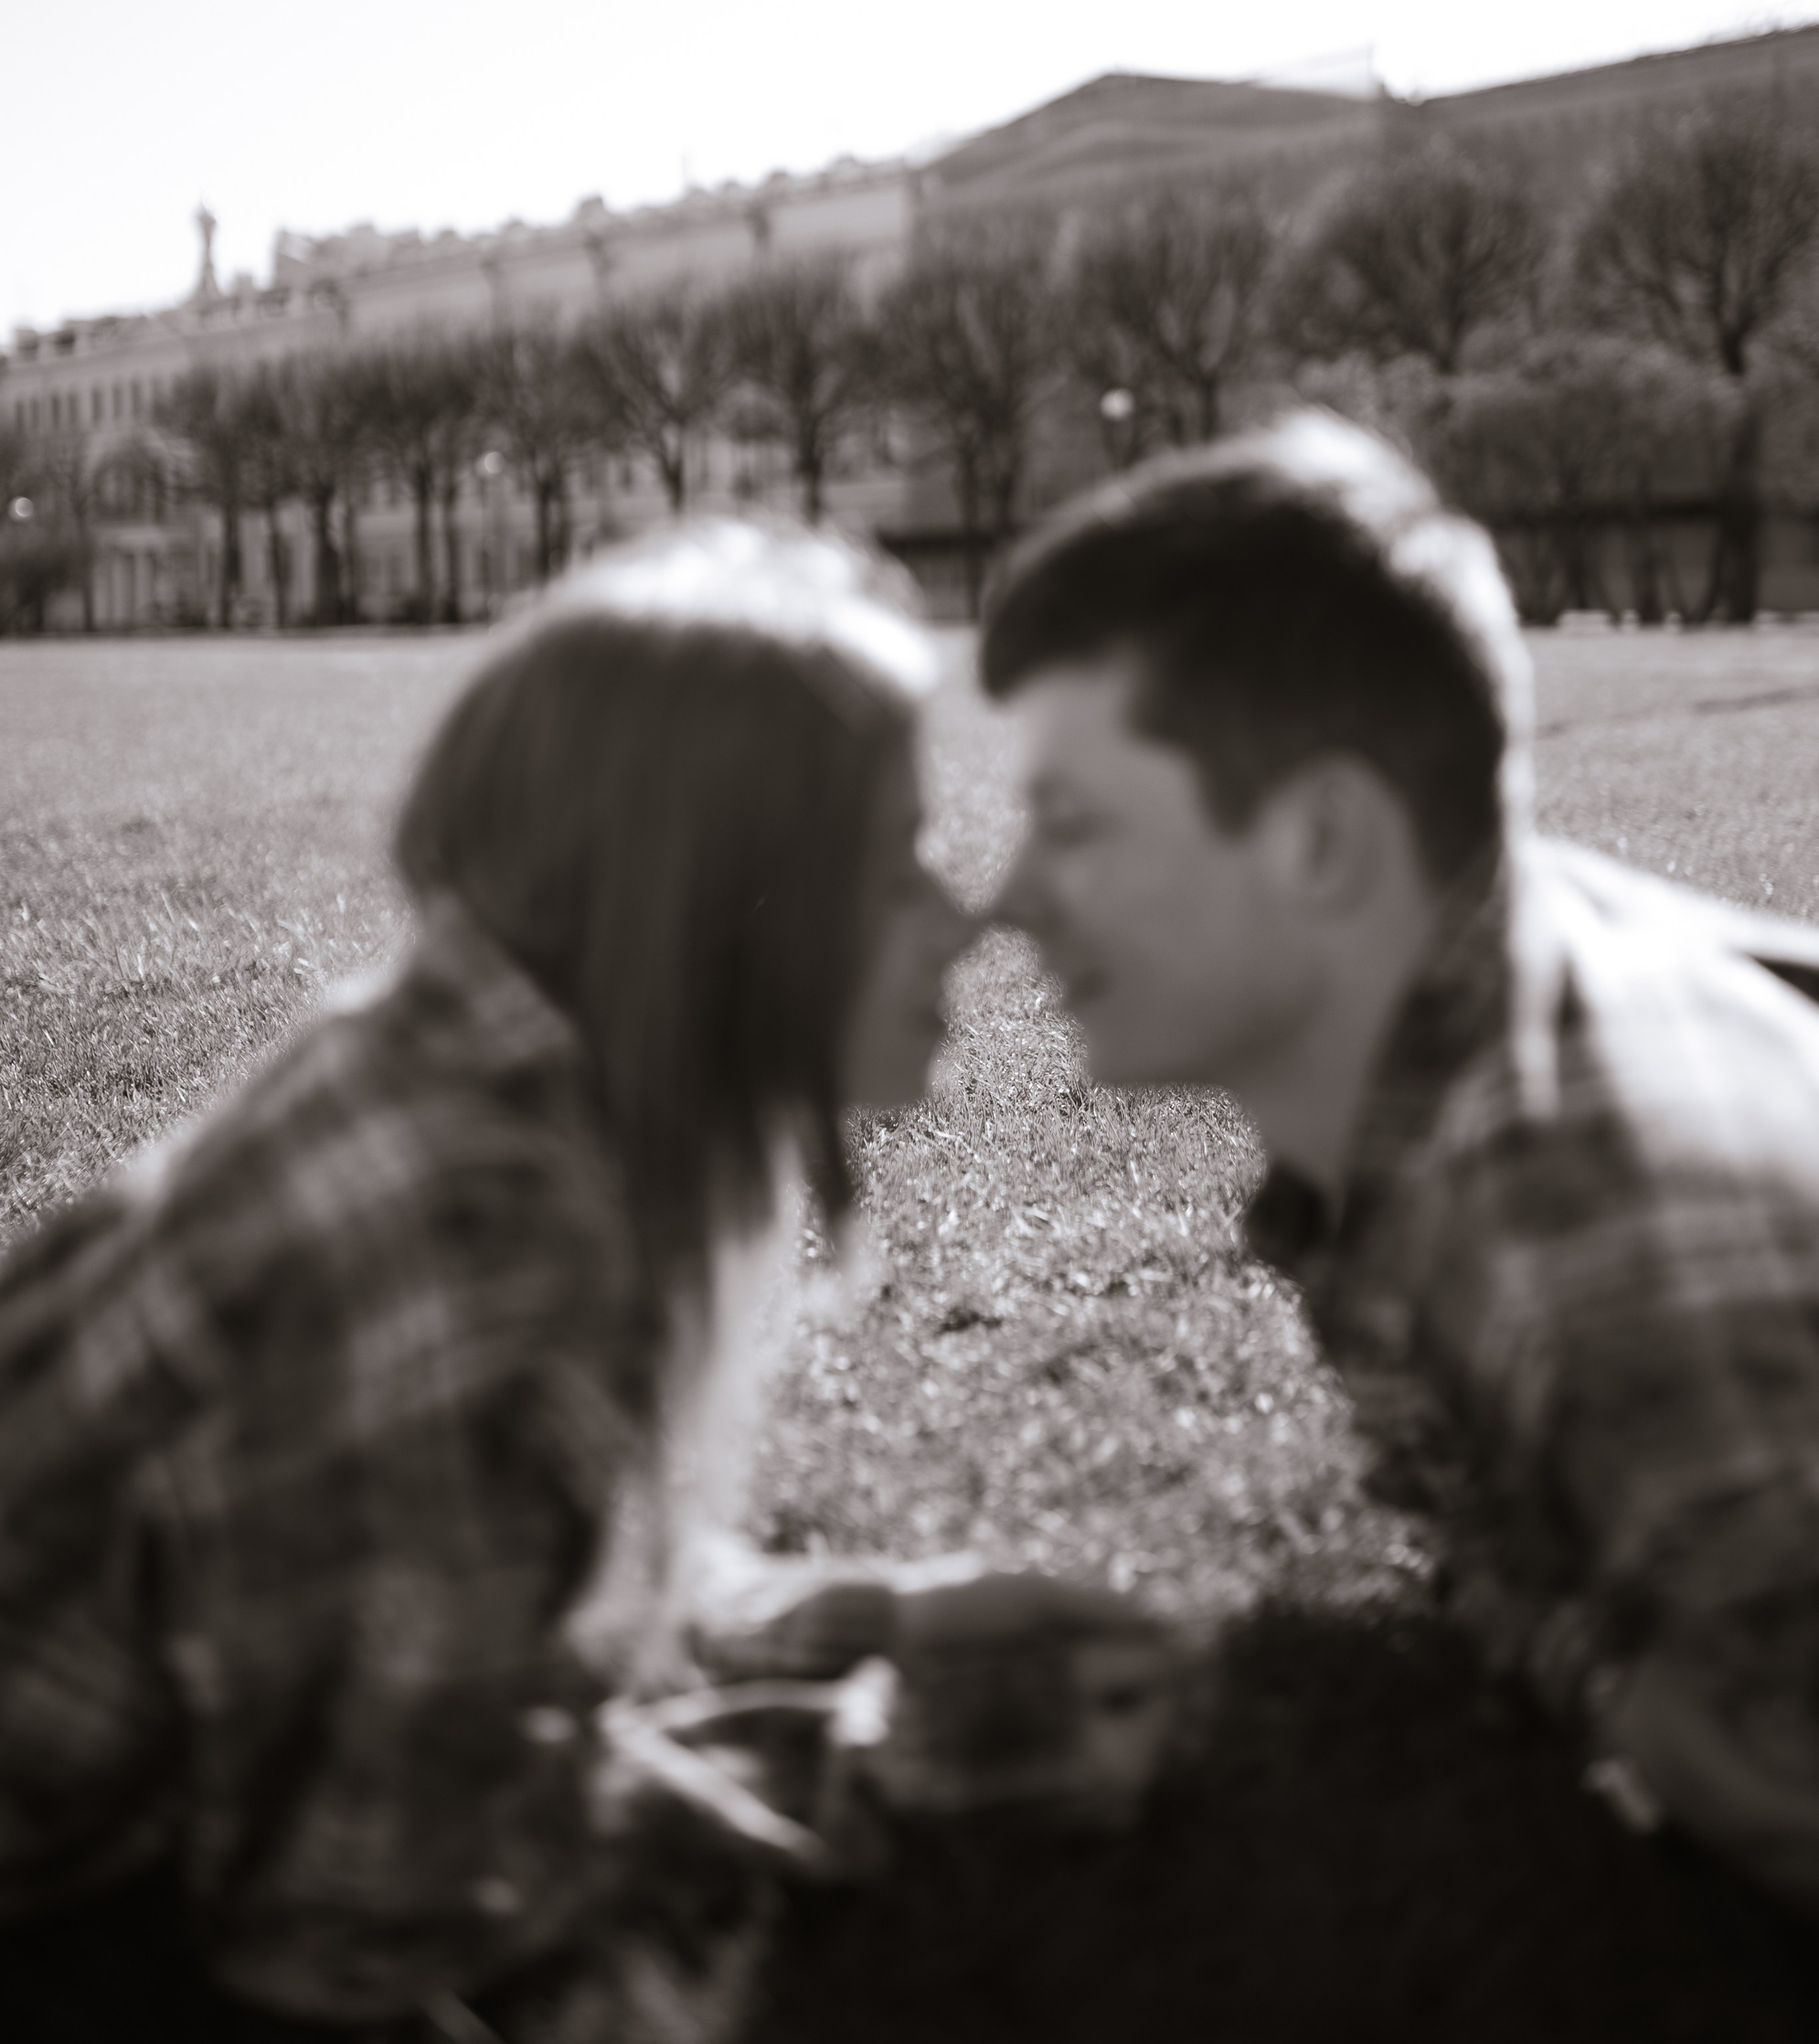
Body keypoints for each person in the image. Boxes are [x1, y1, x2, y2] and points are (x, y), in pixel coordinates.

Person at [0, 520, 978, 2039]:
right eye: (897, 856)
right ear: (719, 906)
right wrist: (844, 1780)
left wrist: (858, 1624)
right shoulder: (479, 1241)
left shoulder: (458, 1080)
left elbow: (485, 1566)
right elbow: (355, 1924)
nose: (963, 912)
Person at [981, 410, 1819, 1930]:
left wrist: (1613, 1688)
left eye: (1072, 824)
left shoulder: (1590, 1243)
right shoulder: (1478, 1000)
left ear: (1319, 840)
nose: (1009, 900)